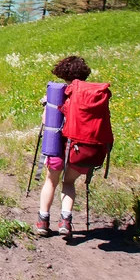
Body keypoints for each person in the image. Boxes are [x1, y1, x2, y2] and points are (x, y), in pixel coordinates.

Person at [35, 55, 94, 237]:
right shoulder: (89, 95)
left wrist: (47, 105)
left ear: (62, 73)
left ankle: (43, 221)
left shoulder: (56, 93)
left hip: (56, 149)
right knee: (68, 183)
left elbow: (46, 121)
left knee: (50, 182)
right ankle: (65, 222)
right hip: (79, 150)